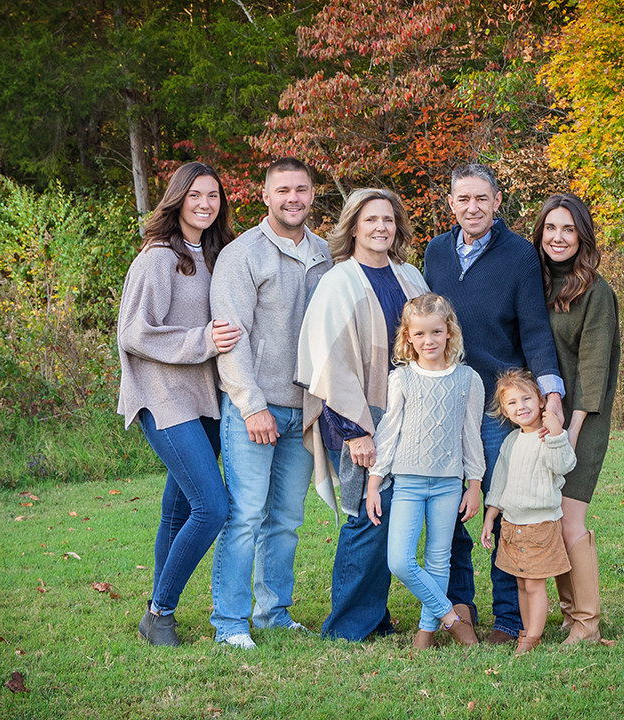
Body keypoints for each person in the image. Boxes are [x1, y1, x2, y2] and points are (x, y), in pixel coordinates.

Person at [424, 163, 565, 644]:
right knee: (452, 510)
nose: (472, 208)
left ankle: (509, 618)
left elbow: (535, 331)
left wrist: (551, 395)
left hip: (496, 406)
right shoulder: (436, 252)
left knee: (506, 511)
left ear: (497, 201)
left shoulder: (520, 255)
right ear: (451, 204)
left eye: (481, 198)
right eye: (463, 199)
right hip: (445, 400)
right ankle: (459, 608)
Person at [209, 158, 332, 650]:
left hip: (304, 411)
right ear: (264, 195)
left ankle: (273, 612)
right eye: (283, 190)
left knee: (286, 519)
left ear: (312, 194)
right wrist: (251, 403)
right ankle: (230, 622)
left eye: (301, 189)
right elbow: (231, 338)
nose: (293, 198)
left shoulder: (325, 254)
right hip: (254, 410)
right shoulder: (242, 256)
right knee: (244, 516)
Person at [117, 161, 241, 646]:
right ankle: (160, 611)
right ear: (177, 199)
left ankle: (158, 611)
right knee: (212, 507)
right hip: (163, 398)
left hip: (205, 399)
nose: (205, 204)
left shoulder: (217, 254)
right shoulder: (157, 257)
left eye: (213, 196)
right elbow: (134, 332)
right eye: (195, 196)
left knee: (177, 509)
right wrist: (204, 339)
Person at [296, 188, 428, 641]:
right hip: (355, 417)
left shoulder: (410, 276)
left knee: (389, 515)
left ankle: (374, 617)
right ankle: (348, 626)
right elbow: (330, 364)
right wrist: (355, 432)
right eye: (371, 220)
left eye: (389, 220)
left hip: (405, 414)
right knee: (364, 516)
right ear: (354, 226)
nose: (381, 228)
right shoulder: (339, 282)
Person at [366, 293, 484, 649]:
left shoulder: (467, 379)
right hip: (408, 484)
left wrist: (474, 484)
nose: (428, 341)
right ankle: (451, 617)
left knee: (438, 559)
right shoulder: (402, 379)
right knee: (400, 560)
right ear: (407, 337)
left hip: (449, 483)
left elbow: (471, 436)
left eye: (435, 332)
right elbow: (388, 433)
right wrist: (374, 483)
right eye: (419, 334)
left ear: (449, 332)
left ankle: (425, 633)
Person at [531, 193, 620, 644]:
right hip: (542, 422)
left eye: (568, 229)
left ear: (582, 235)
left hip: (581, 421)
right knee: (549, 517)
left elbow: (593, 368)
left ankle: (586, 623)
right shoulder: (536, 283)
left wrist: (570, 430)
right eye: (551, 228)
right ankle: (568, 617)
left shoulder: (596, 292)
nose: (558, 238)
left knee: (569, 520)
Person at [481, 369, 576, 654]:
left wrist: (558, 431)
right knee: (521, 583)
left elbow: (563, 465)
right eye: (512, 403)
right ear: (505, 411)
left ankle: (532, 637)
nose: (520, 407)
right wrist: (490, 516)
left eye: (526, 399)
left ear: (541, 402)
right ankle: (526, 628)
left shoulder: (549, 438)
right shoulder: (510, 442)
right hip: (512, 525)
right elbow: (499, 482)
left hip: (539, 526)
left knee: (534, 585)